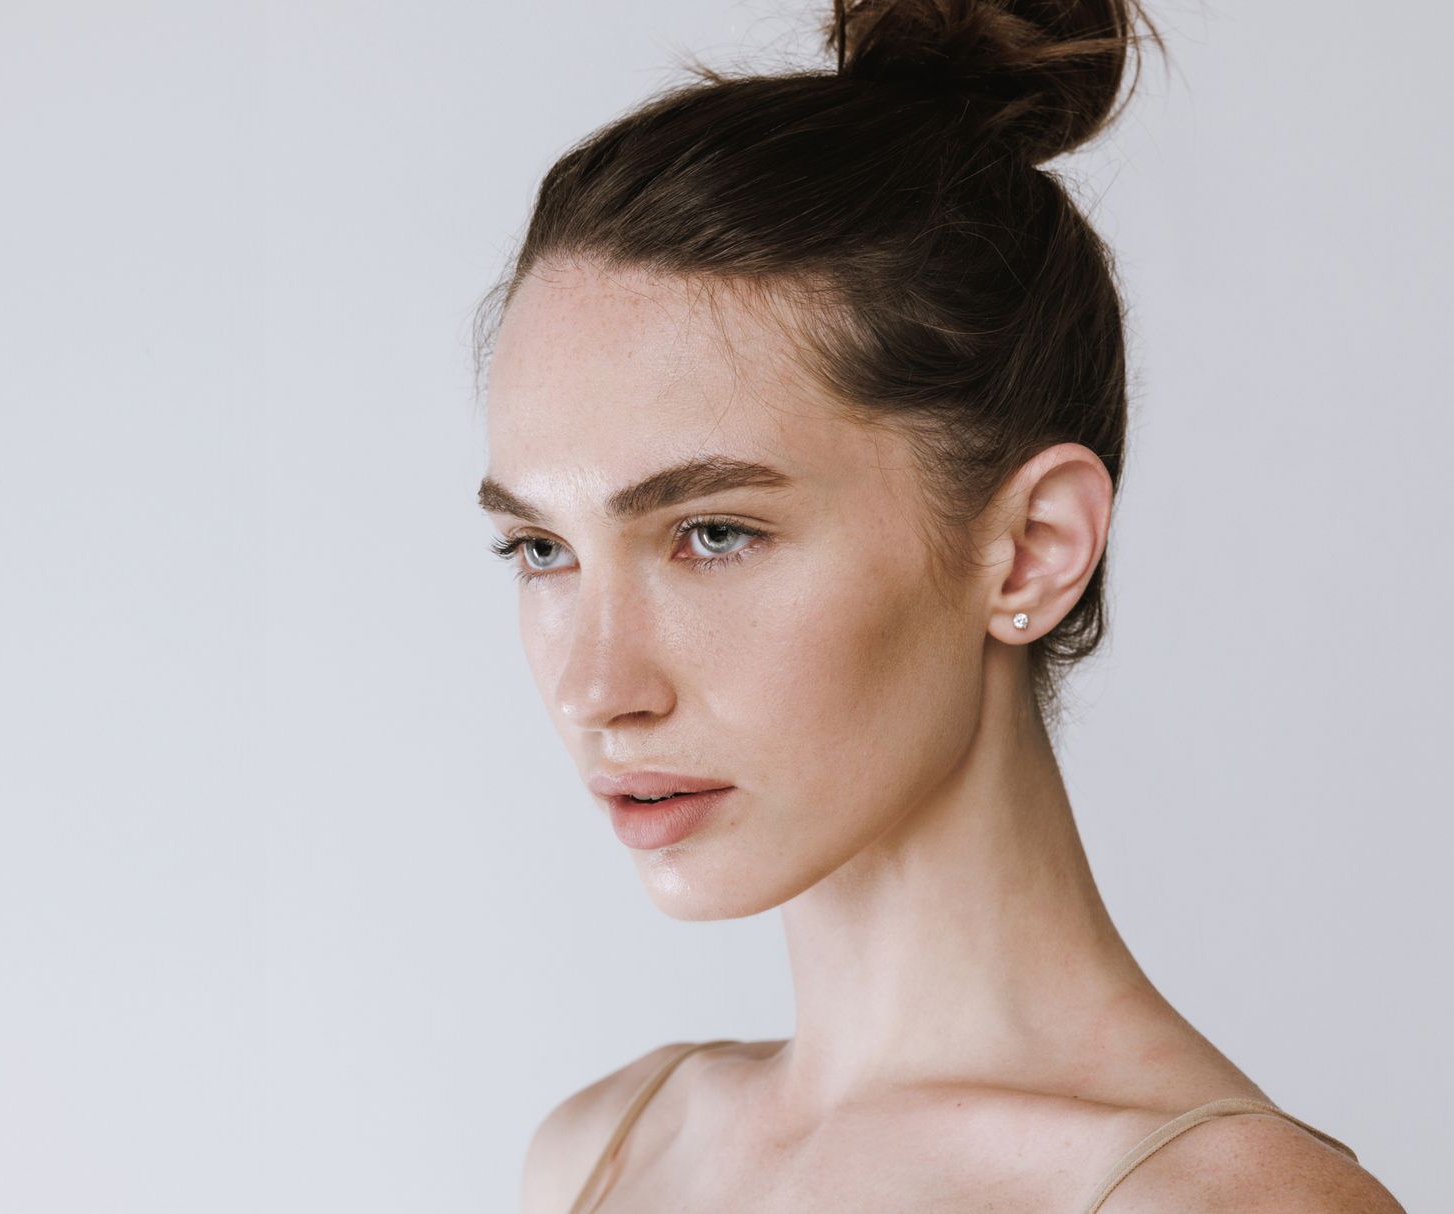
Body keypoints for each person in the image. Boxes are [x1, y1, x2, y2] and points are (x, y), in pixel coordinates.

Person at [474, 2, 1404, 1209]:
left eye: (713, 533)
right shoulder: (605, 1150)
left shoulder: (1212, 1199)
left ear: (1028, 550)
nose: (597, 689)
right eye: (541, 548)